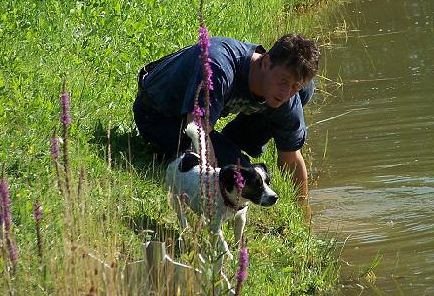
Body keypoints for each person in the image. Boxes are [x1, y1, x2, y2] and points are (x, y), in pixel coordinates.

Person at [133, 33, 320, 202]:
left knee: (304, 92)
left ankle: (230, 143)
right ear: (266, 62)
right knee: (243, 174)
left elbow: (292, 157)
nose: (287, 91)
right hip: (160, 115)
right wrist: (215, 184)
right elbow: (196, 129)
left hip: (197, 120)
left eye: (294, 85)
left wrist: (303, 213)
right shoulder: (217, 66)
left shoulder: (285, 91)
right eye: (283, 80)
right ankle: (222, 151)